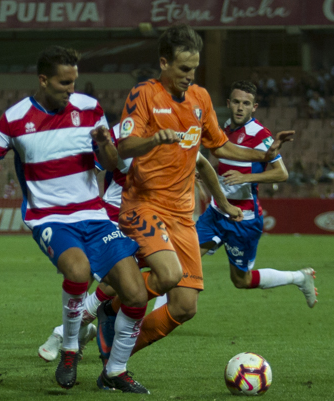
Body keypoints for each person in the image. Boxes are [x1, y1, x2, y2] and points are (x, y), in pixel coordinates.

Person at [0, 46, 151, 394]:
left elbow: (111, 163)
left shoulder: (90, 109)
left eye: (74, 82)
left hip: (94, 215)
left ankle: (116, 371)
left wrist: (106, 143)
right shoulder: (14, 119)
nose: (71, 90)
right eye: (64, 83)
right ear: (43, 80)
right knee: (77, 271)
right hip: (49, 218)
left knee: (136, 294)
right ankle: (70, 349)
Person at [96, 24, 294, 366]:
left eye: (194, 68)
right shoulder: (143, 94)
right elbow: (125, 145)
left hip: (182, 213)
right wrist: (155, 139)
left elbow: (221, 145)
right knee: (168, 275)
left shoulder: (200, 98)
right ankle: (109, 313)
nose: (190, 75)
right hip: (144, 203)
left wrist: (264, 156)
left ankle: (113, 359)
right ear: (164, 63)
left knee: (185, 307)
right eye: (184, 68)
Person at [38, 124, 244, 362]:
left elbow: (202, 163)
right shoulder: (121, 132)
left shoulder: (174, 126)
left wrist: (224, 203)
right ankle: (68, 334)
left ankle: (86, 336)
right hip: (117, 219)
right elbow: (88, 172)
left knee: (174, 296)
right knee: (118, 282)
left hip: (162, 221)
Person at [181, 81, 316, 305]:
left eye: (246, 103)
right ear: (228, 103)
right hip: (216, 211)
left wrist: (247, 177)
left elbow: (281, 174)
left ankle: (299, 277)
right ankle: (159, 315)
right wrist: (204, 175)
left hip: (243, 219)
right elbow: (224, 171)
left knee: (240, 280)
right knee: (182, 259)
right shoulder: (224, 128)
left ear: (254, 107)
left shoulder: (260, 135)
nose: (240, 107)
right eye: (236, 102)